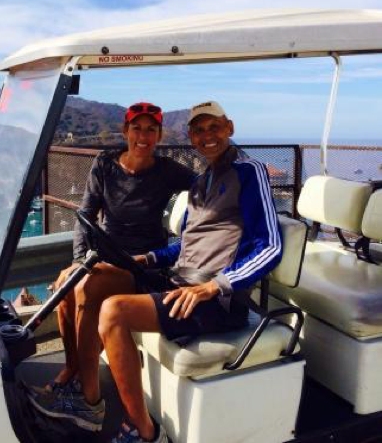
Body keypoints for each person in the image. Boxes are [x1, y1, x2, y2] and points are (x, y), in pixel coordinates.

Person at [98, 101, 283, 443]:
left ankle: (145, 431)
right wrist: (148, 258)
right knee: (100, 280)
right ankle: (84, 391)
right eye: (198, 130)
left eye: (214, 127)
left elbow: (270, 245)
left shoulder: (248, 171)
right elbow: (186, 245)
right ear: (191, 137)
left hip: (218, 302)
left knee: (114, 312)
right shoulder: (200, 184)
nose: (207, 136)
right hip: (182, 284)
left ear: (230, 127)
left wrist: (216, 286)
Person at [28, 102, 196, 431]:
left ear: (159, 135)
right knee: (67, 288)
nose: (143, 136)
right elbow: (85, 216)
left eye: (151, 130)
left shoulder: (168, 171)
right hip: (102, 258)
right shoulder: (105, 164)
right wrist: (78, 261)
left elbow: (209, 186)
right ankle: (72, 371)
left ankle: (90, 402)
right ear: (125, 132)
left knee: (86, 287)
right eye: (137, 128)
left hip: (143, 267)